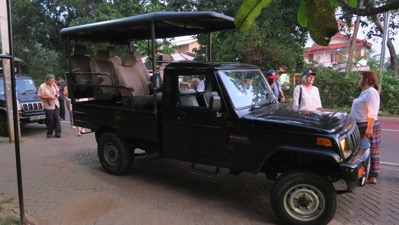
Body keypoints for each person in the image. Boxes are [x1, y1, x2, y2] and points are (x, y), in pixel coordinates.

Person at [350, 71, 381, 184]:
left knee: (373, 149)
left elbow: (372, 112)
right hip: (359, 125)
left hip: (366, 125)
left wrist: (369, 128)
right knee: (360, 150)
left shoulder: (371, 92)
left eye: (360, 78)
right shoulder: (364, 92)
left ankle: (373, 176)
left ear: (366, 80)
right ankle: (361, 172)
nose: (359, 80)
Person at [37, 74, 62, 138]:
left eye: (53, 80)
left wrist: (57, 94)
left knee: (57, 118)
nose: (52, 82)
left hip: (56, 103)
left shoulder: (54, 84)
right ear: (47, 80)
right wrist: (49, 97)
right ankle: (49, 132)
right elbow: (40, 96)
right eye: (51, 81)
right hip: (48, 104)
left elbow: (58, 91)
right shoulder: (42, 86)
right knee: (50, 119)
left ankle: (58, 132)